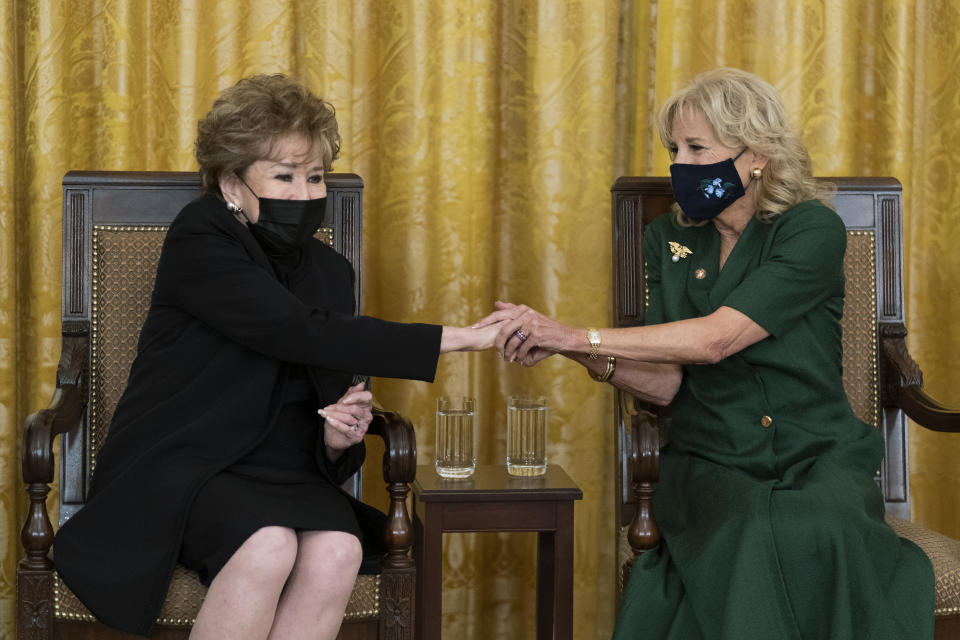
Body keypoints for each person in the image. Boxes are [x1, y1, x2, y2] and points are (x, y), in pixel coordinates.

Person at [480, 68, 935, 639]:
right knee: (747, 529)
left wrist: (574, 335)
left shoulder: (810, 230)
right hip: (711, 457)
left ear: (758, 155)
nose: (681, 165)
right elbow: (668, 383)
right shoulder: (668, 242)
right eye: (675, 148)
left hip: (815, 450)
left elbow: (716, 340)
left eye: (698, 147)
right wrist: (569, 351)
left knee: (819, 529)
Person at [54, 74, 503, 640]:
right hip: (188, 464)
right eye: (284, 176)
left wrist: (338, 439)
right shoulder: (201, 236)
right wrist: (459, 337)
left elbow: (328, 397)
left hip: (285, 474)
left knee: (338, 551)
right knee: (268, 545)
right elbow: (297, 331)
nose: (305, 194)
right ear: (230, 183)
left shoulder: (330, 271)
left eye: (315, 177)